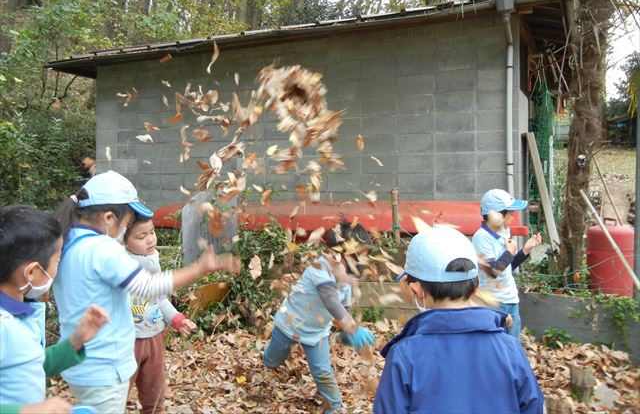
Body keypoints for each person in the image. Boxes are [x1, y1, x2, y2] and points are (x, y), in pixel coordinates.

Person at [53, 170, 239, 413]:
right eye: (127, 223)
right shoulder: (103, 249)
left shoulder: (67, 241)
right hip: (104, 366)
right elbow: (149, 286)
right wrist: (200, 268)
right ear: (109, 217)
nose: (125, 229)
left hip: (79, 363)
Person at [373, 226, 544, 414]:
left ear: (416, 290)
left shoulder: (403, 356)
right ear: (475, 287)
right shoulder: (510, 349)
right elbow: (532, 406)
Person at [0, 205, 109, 414]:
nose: (58, 267)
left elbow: (30, 365)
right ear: (32, 272)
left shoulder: (18, 315)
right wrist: (29, 411)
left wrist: (77, 340)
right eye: (57, 261)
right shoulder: (3, 325)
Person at [263, 224, 376, 413]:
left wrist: (344, 330)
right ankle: (269, 360)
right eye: (357, 256)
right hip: (289, 324)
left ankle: (334, 406)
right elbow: (330, 299)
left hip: (316, 333)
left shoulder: (347, 280)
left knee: (323, 371)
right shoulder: (319, 269)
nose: (360, 261)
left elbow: (343, 306)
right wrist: (352, 327)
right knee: (273, 360)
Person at [124, 212, 197, 414]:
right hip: (129, 340)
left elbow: (159, 297)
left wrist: (176, 319)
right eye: (141, 236)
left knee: (155, 394)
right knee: (118, 396)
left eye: (152, 232)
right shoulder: (121, 265)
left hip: (154, 336)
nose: (150, 239)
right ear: (123, 240)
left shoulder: (152, 259)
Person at [472, 189, 542, 341]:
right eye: (510, 212)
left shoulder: (503, 234)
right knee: (496, 349)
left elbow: (507, 268)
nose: (513, 215)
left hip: (511, 300)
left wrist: (525, 250)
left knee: (512, 349)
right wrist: (509, 252)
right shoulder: (481, 238)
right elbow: (492, 272)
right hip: (495, 304)